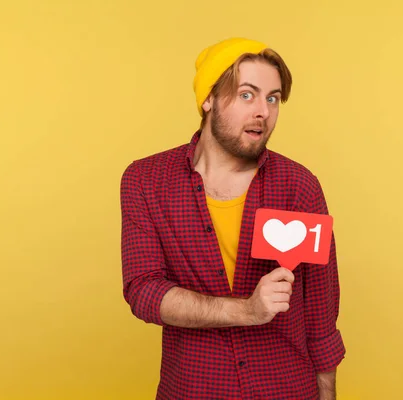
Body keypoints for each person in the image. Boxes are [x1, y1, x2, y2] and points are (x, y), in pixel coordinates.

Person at [120, 37, 345, 400]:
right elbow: (143, 292)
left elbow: (321, 313)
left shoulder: (299, 186)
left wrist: (327, 394)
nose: (263, 111)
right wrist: (247, 310)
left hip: (287, 389)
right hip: (193, 390)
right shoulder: (147, 182)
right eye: (247, 95)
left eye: (272, 98)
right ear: (208, 99)